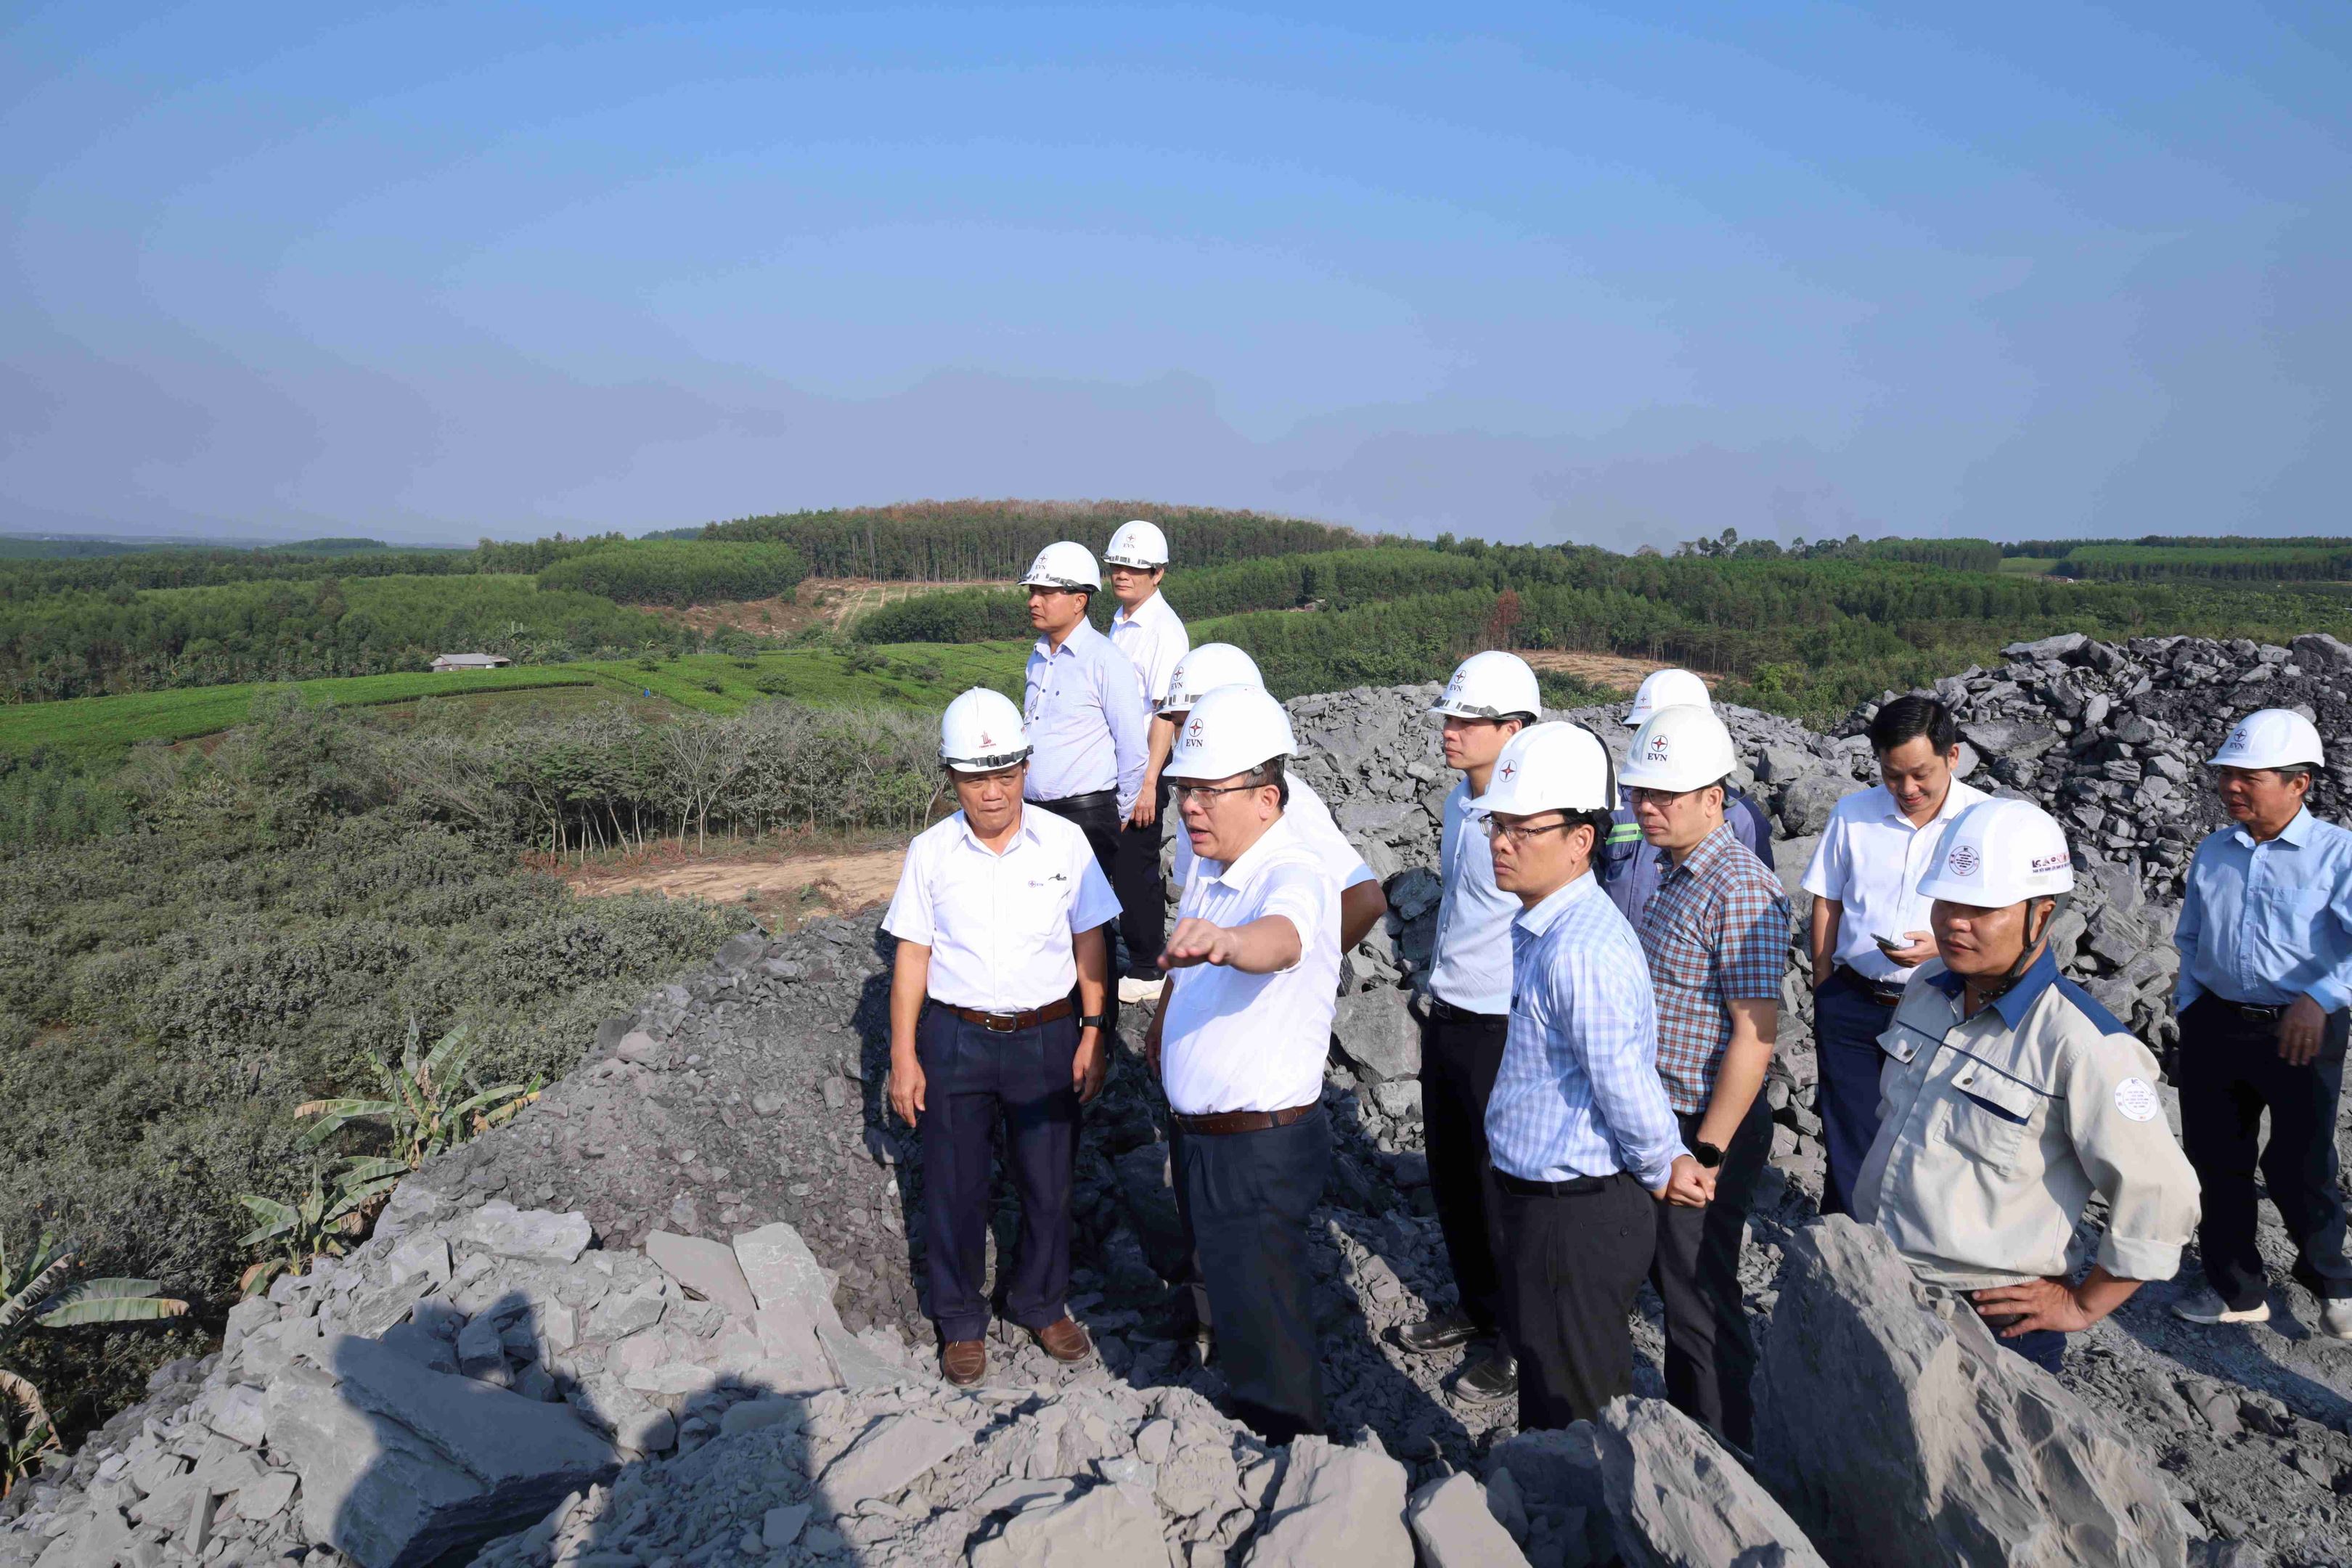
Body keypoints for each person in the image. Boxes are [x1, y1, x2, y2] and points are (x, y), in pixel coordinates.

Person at [1854, 798, 2200, 1373]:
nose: (1954, 921)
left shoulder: (2085, 1046)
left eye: (1981, 908)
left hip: (1986, 1323)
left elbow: (2164, 1195)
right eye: (1946, 901)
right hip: (1878, 1276)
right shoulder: (1926, 987)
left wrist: (2084, 1304)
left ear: (2042, 915)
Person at [882, 688, 1121, 1386]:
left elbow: (1090, 940)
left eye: (1006, 774)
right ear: (951, 778)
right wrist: (903, 1054)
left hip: (1046, 1036)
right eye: (976, 778)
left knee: (1048, 1182)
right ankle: (960, 1320)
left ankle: (1040, 1302)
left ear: (1025, 768)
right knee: (953, 1186)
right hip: (955, 1039)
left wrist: (1094, 1032)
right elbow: (913, 958)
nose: (993, 792)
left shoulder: (1065, 843)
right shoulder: (930, 853)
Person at [1477, 721, 1702, 1429]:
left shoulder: (1580, 950)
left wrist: (1663, 1164)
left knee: (1575, 1412)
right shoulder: (1548, 926)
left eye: (1522, 830)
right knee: (1550, 1385)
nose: (1501, 843)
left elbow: (1624, 1083)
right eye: (1497, 826)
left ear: (1581, 841)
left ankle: (1583, 1503)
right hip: (1544, 1205)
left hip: (1574, 1215)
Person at [1144, 683, 1342, 1443]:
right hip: (1209, 1140)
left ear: (1266, 798)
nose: (1190, 807)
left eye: (1208, 792)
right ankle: (1262, 1430)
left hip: (1257, 1150)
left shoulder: (1292, 872)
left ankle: (1297, 1457)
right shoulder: (1218, 863)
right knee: (1241, 1307)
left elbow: (1281, 940)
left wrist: (1230, 944)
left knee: (1267, 1317)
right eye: (1183, 790)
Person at [1619, 702, 1792, 1453]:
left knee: (1698, 1294)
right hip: (1668, 1119)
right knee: (1676, 1283)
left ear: (1714, 799)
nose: (1645, 807)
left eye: (1664, 795)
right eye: (1640, 793)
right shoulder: (1675, 871)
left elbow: (1755, 1036)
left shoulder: (1740, 889)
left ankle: (1726, 1448)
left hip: (1706, 1125)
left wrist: (1709, 1152)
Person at [2169, 709, 2352, 1337]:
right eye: (2227, 775)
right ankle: (2238, 1288)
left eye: (2249, 777)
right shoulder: (2214, 851)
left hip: (2302, 1030)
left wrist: (2320, 997)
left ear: (2299, 783)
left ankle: (2332, 1281)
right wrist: (2190, 1003)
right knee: (2216, 1159)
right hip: (2216, 1024)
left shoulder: (2337, 854)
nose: (2231, 787)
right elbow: (2190, 936)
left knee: (2302, 1161)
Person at [1391, 650, 1541, 1405]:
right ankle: (1477, 1306)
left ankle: (1519, 1340)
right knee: (1452, 1174)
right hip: (1449, 1009)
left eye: (1466, 721)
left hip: (1503, 1022)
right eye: (1448, 719)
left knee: (1501, 1186)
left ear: (1514, 729)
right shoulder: (1458, 802)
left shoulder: (1533, 818)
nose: (1449, 732)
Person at [1800, 693, 1987, 1216]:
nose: (1907, 789)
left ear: (1953, 757)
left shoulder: (1982, 823)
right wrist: (1823, 983)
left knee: (1928, 1137)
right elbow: (1827, 899)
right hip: (1853, 1004)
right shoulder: (1852, 815)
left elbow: (2006, 920)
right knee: (1849, 1132)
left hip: (1942, 1008)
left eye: (1920, 774)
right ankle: (1844, 1241)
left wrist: (1943, 949)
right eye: (1892, 775)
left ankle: (1914, 1242)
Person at [1160, 643, 1389, 949]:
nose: (1185, 736)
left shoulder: (1284, 804)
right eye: (1178, 724)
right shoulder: (1195, 801)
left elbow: (1365, 900)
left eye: (1194, 722)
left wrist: (1307, 963)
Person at [1019, 541, 1151, 1003]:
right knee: (1042, 919)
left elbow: (1133, 747)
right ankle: (1053, 1019)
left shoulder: (1104, 660)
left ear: (1079, 600)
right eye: (1032, 591)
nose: (1034, 600)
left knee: (1089, 924)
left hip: (1086, 814)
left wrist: (1119, 813)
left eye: (1046, 592)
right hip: (1036, 811)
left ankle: (1099, 1027)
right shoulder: (1038, 656)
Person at [1600, 669, 1773, 929]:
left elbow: (1752, 916)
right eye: (1642, 731)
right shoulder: (1617, 803)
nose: (1647, 807)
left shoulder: (1740, 816)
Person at [1104, 520, 1191, 1004]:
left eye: (1136, 569)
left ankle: (1147, 966)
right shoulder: (1121, 621)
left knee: (1135, 865)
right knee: (1112, 862)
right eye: (1118, 565)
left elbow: (1164, 713)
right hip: (1113, 764)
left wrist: (1148, 783)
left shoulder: (1163, 631)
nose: (1124, 575)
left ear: (1158, 574)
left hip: (1142, 766)